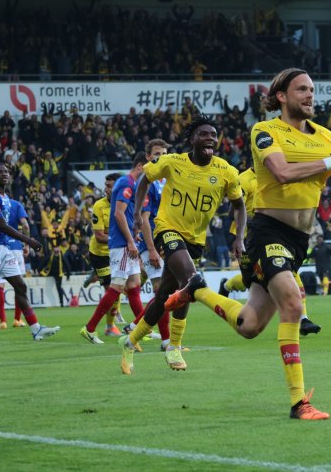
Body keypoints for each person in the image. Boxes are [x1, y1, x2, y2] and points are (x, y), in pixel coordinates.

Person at [165, 68, 331, 420]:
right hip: (268, 232)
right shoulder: (265, 131)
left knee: (250, 326)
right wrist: (330, 163)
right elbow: (280, 172)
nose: (310, 95)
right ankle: (299, 403)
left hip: (299, 240)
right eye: (301, 90)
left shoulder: (327, 137)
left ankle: (198, 290)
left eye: (312, 90)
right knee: (293, 305)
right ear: (281, 95)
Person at [121, 117, 246, 373]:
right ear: (192, 139)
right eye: (204, 134)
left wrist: (239, 236)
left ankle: (130, 342)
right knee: (191, 279)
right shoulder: (172, 162)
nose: (210, 138)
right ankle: (175, 346)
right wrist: (136, 212)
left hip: (196, 240)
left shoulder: (226, 171)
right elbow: (144, 179)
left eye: (213, 134)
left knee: (167, 296)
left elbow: (239, 206)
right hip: (167, 229)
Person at [0, 163, 60, 344]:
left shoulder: (4, 197)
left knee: (20, 286)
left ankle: (36, 329)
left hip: (4, 249)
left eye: (6, 171)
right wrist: (27, 240)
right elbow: (1, 225)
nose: (4, 174)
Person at [220, 167, 321, 335]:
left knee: (284, 273)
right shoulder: (245, 179)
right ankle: (227, 285)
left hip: (269, 237)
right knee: (253, 279)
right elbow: (233, 210)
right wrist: (258, 219)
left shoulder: (274, 176)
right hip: (246, 236)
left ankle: (303, 319)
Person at [80, 153, 148, 344]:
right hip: (122, 244)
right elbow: (118, 215)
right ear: (141, 166)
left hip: (125, 242)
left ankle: (143, 328)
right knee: (116, 287)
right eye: (150, 167)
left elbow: (125, 215)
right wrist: (130, 241)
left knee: (134, 286)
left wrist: (134, 234)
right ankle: (90, 328)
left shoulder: (128, 183)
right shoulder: (127, 183)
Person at [124, 139, 172, 350]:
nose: (160, 156)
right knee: (162, 291)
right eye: (156, 153)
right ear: (148, 157)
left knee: (167, 292)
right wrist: (151, 248)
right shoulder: (148, 181)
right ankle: (166, 341)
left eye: (164, 153)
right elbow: (144, 217)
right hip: (151, 243)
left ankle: (135, 326)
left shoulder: (165, 180)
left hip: (166, 241)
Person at [79, 172, 126, 335]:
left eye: (109, 186)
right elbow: (99, 237)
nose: (106, 189)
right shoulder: (99, 206)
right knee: (113, 291)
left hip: (119, 251)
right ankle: (109, 327)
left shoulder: (127, 203)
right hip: (101, 254)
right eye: (105, 185)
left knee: (121, 288)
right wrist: (123, 238)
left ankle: (96, 276)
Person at [0, 194, 31, 329]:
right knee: (18, 285)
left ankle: (3, 321)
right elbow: (25, 225)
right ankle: (17, 319)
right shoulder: (16, 204)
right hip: (15, 247)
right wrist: (26, 244)